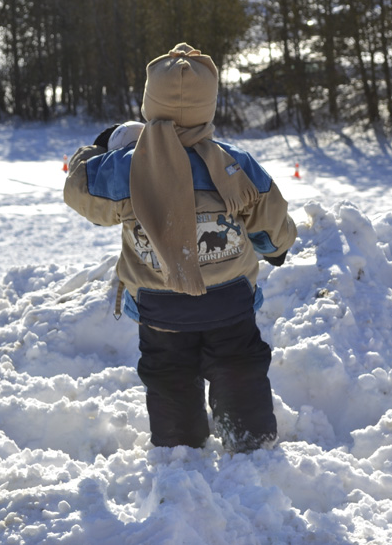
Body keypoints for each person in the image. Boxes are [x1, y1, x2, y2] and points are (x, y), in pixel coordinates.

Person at [63, 43, 297, 454]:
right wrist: (275, 248)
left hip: (160, 305)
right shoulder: (235, 164)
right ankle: (251, 441)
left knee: (169, 371)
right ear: (209, 108)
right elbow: (270, 217)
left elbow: (80, 191)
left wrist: (99, 148)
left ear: (149, 106)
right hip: (229, 302)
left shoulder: (128, 167)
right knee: (239, 365)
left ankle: (179, 448)